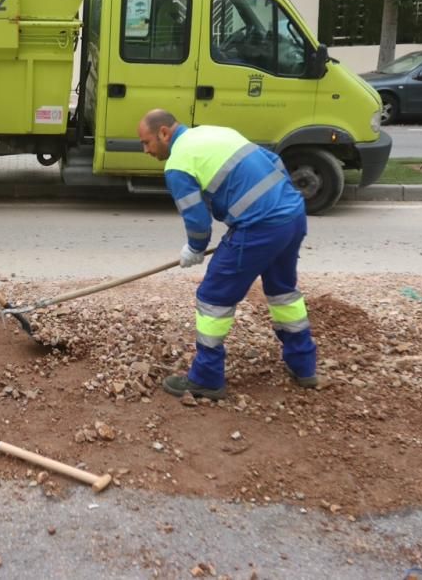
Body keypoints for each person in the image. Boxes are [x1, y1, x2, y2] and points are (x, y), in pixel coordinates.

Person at [136, 109, 321, 400]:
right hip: (293, 215)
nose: (145, 150)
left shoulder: (178, 163)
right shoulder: (214, 132)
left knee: (212, 298)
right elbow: (273, 160)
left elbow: (197, 220)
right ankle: (304, 366)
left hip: (259, 228)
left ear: (164, 133)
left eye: (146, 142)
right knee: (283, 292)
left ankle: (207, 379)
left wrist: (194, 249)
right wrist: (276, 203)